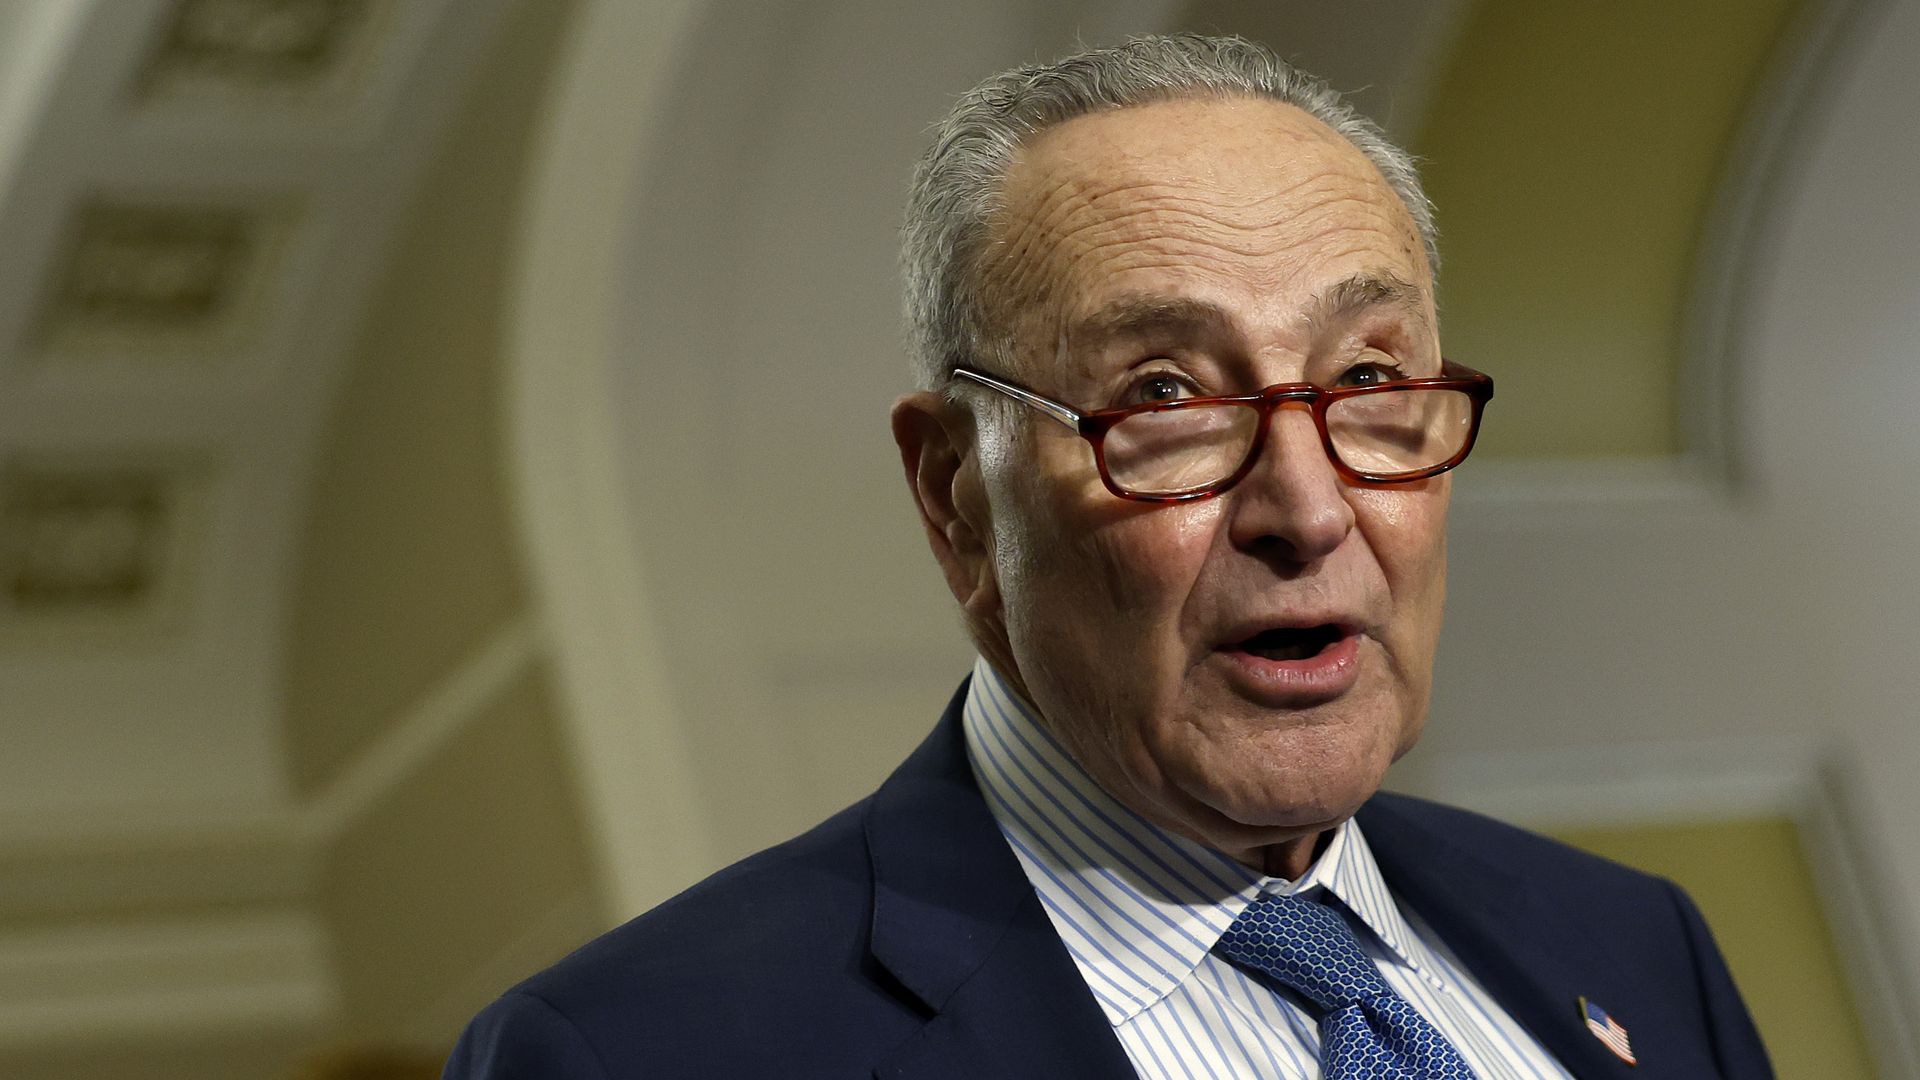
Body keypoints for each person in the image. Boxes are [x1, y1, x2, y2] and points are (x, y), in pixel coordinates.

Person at [445, 34, 1772, 1079]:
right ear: (957, 490)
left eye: (1367, 376)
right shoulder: (644, 1053)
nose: (1308, 509)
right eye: (1167, 400)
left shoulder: (1633, 943)